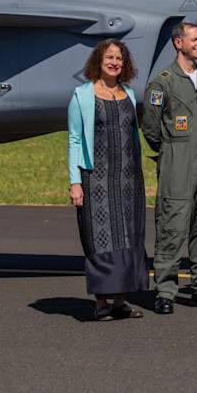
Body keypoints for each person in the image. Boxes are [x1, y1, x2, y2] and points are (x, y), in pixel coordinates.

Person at [139, 22, 197, 313]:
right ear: (178, 43)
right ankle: (165, 291)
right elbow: (150, 127)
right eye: (194, 39)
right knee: (172, 226)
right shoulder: (162, 82)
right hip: (176, 159)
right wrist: (170, 151)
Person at [67, 39, 149, 321]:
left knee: (128, 234)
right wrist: (74, 181)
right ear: (98, 62)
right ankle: (101, 303)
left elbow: (134, 134)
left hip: (128, 178)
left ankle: (120, 302)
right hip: (95, 177)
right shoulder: (82, 95)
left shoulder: (127, 92)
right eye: (109, 58)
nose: (115, 62)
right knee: (99, 237)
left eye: (120, 58)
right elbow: (75, 140)